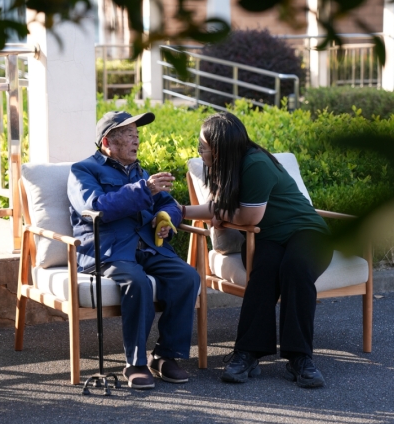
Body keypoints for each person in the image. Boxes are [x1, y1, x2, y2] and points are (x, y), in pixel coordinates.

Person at [183, 113, 333, 388]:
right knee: (263, 273)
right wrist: (181, 211)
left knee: (295, 268)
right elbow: (216, 207)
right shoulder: (223, 166)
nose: (200, 150)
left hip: (308, 232)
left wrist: (222, 214)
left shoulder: (255, 163)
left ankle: (300, 358)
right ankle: (248, 354)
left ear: (220, 146)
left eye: (203, 146)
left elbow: (250, 217)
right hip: (270, 238)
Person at [68, 110, 200, 390]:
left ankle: (165, 356)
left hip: (148, 248)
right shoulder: (83, 170)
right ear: (107, 142)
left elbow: (168, 204)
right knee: (137, 282)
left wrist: (165, 219)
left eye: (136, 133)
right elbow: (96, 207)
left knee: (187, 277)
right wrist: (144, 190)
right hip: (108, 251)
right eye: (128, 134)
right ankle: (136, 363)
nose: (136, 138)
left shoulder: (141, 172)